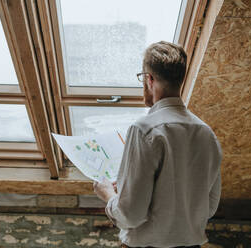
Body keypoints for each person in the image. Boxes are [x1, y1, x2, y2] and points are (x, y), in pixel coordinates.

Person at [93, 41, 222, 248]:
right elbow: (210, 207)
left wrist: (108, 194)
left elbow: (130, 215)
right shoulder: (207, 134)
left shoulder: (144, 130)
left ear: (149, 79)